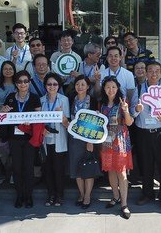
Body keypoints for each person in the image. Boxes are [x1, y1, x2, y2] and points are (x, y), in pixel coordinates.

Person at [134, 62, 161, 211]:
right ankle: (147, 193)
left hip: (160, 132)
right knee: (146, 165)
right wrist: (137, 110)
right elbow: (131, 111)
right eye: (150, 71)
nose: (153, 74)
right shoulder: (138, 89)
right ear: (145, 72)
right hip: (143, 133)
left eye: (157, 71)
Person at [0, 70, 42, 208]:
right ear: (16, 84)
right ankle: (19, 196)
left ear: (29, 83)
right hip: (14, 138)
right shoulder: (11, 97)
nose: (22, 84)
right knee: (17, 168)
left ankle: (28, 196)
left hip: (29, 138)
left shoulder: (35, 97)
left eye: (25, 81)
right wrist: (3, 111)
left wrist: (31, 121)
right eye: (19, 81)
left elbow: (39, 118)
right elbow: (3, 116)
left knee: (28, 168)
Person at [100, 76, 134, 220]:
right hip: (106, 141)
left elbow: (130, 122)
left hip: (120, 140)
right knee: (111, 170)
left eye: (113, 87)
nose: (111, 90)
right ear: (104, 89)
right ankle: (115, 196)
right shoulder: (101, 104)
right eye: (108, 87)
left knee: (122, 172)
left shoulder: (122, 103)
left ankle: (124, 204)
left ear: (118, 88)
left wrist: (125, 110)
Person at [68, 75, 98, 209]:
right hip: (74, 139)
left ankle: (87, 196)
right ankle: (81, 194)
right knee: (76, 168)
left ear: (87, 87)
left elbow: (95, 122)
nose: (79, 87)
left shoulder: (93, 101)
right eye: (77, 84)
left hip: (88, 139)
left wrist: (90, 141)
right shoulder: (70, 99)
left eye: (83, 84)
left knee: (88, 167)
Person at [41, 73, 70, 207]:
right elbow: (38, 121)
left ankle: (59, 195)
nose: (52, 87)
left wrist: (62, 115)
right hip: (46, 139)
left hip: (59, 138)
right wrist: (41, 129)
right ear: (45, 86)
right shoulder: (41, 100)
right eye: (49, 84)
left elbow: (67, 123)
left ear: (58, 86)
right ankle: (50, 194)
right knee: (48, 168)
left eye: (55, 84)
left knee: (58, 168)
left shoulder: (64, 100)